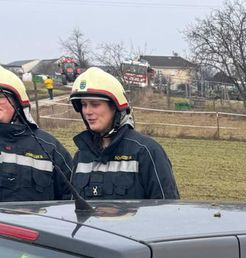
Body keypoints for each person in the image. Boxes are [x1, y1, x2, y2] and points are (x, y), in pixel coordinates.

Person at [70, 67, 179, 200]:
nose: (87, 111)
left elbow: (166, 209)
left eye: (95, 104)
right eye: (84, 104)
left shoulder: (147, 152)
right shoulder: (81, 156)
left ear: (115, 108)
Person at [0, 65, 73, 203]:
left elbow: (70, 198)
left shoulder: (49, 148)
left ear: (17, 102)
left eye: (0, 96)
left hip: (34, 225)